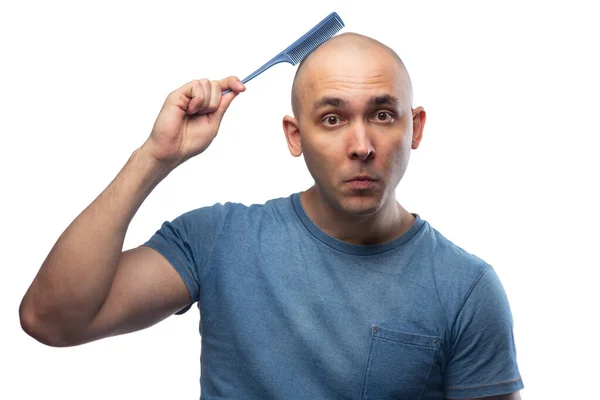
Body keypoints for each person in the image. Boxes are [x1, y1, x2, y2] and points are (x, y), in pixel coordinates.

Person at [20, 33, 524, 399]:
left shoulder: (466, 288)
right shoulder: (217, 241)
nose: (362, 146)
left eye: (383, 114)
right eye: (332, 119)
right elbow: (51, 319)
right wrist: (154, 157)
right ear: (294, 136)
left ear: (414, 128)